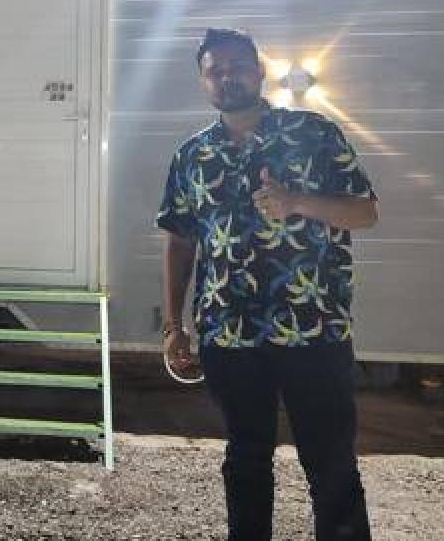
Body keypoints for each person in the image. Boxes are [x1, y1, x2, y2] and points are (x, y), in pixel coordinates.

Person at [157, 28, 379, 541]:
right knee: (246, 460)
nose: (227, 77)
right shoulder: (192, 155)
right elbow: (180, 240)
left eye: (237, 66)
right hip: (229, 334)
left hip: (312, 328)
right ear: (203, 81)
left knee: (331, 463)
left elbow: (365, 211)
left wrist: (296, 201)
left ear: (259, 71)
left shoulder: (313, 133)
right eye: (214, 70)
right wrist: (173, 326)